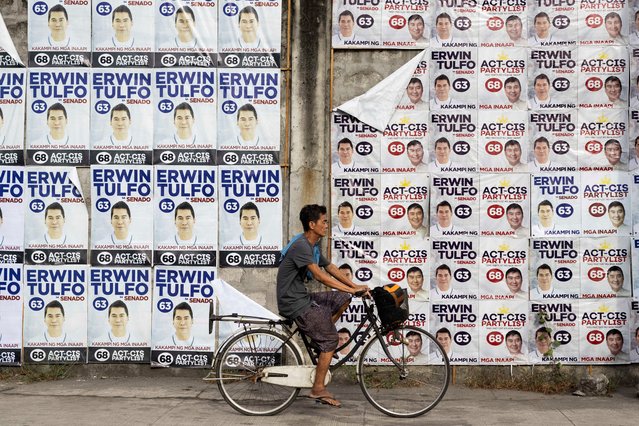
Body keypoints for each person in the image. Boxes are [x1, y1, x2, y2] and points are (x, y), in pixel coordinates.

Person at [277, 204, 369, 408]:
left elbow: (330, 268)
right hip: (294, 303)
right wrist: (353, 290)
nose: (327, 224)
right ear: (312, 224)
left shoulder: (313, 245)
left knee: (342, 298)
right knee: (331, 338)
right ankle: (318, 387)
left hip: (302, 297)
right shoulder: (301, 245)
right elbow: (320, 276)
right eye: (324, 221)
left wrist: (353, 286)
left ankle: (319, 341)